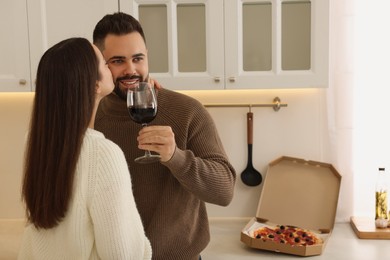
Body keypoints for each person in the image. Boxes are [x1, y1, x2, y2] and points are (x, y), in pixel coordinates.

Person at [93, 12, 237, 260]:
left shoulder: (187, 111)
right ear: (100, 66)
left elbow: (224, 191)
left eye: (138, 58)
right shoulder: (91, 119)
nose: (131, 70)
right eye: (118, 61)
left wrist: (176, 157)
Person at [18, 37, 152, 260]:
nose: (110, 67)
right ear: (94, 84)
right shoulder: (104, 154)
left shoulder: (35, 142)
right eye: (103, 62)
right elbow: (122, 255)